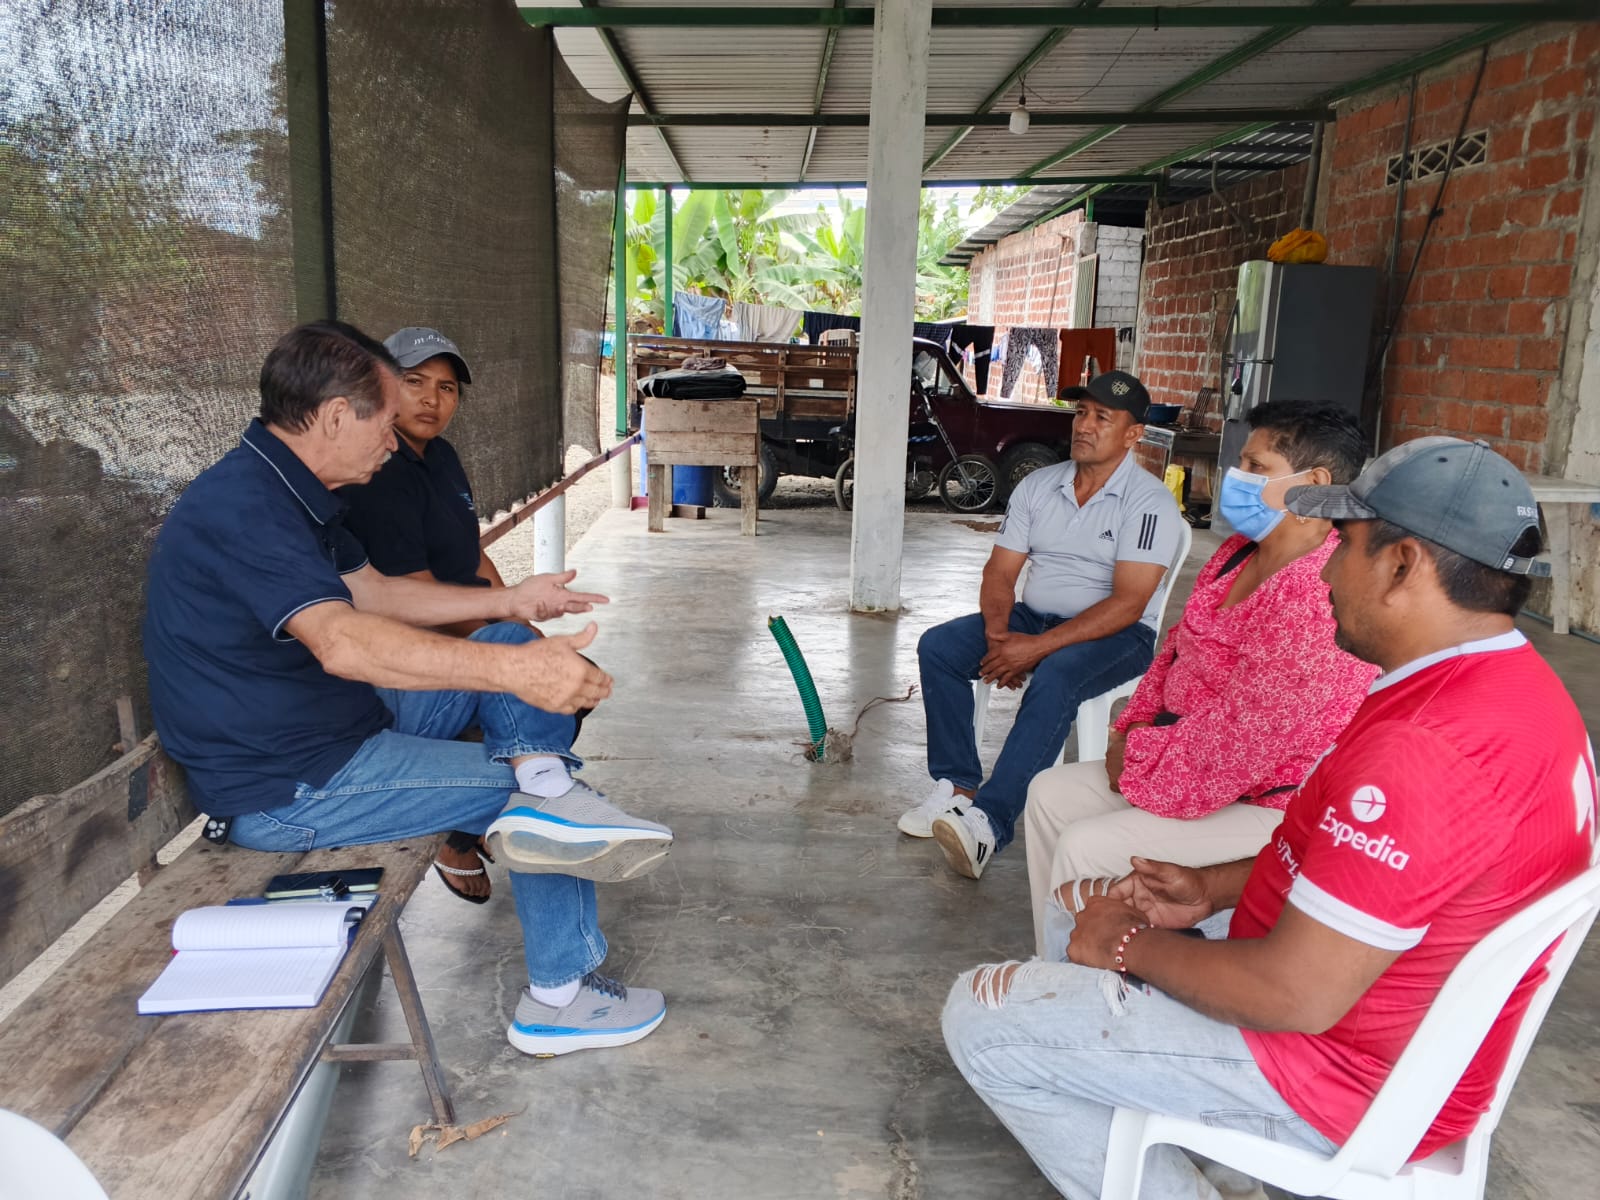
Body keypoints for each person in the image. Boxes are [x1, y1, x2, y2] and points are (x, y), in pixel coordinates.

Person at [942, 437, 1596, 1199]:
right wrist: (1212, 888)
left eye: (1343, 544)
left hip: (1336, 1074)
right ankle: (1154, 1114)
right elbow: (1377, 878)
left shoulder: (1426, 748)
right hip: (1387, 1017)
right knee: (1079, 903)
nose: (1326, 569)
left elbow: (1294, 995)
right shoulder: (1506, 687)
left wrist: (1130, 947)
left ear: (1402, 565)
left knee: (984, 1016)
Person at [143, 320, 674, 1056]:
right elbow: (343, 641)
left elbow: (377, 595)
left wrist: (508, 602)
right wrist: (516, 673)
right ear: (336, 416)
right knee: (535, 804)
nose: (393, 442)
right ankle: (560, 997)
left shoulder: (294, 490)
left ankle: (549, 782)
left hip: (339, 729)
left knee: (509, 647)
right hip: (289, 787)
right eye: (385, 421)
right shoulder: (245, 508)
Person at [1022, 402, 1378, 957]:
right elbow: (1175, 650)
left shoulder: (1317, 592)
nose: (1237, 478)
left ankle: (1090, 983)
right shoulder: (1239, 554)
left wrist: (1138, 757)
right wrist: (1129, 730)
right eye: (1242, 462)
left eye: (1256, 467)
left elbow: (1246, 739)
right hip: (1181, 758)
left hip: (1268, 799)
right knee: (1048, 795)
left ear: (1313, 485)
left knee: (1087, 845)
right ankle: (1057, 963)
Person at [901, 370, 1183, 881]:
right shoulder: (1038, 485)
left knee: (1056, 675)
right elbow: (1000, 573)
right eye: (1081, 412)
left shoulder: (1149, 503)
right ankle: (957, 787)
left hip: (1119, 635)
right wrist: (1000, 640)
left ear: (1133, 434)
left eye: (1103, 417)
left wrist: (1033, 650)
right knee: (939, 647)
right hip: (1032, 618)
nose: (1085, 425)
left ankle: (989, 823)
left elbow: (1128, 603)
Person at [338, 326, 570, 903]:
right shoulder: (377, 473)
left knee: (556, 685)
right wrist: (503, 633)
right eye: (415, 382)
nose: (431, 399)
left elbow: (472, 555)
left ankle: (515, 806)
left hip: (463, 627)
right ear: (379, 388)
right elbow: (410, 597)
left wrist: (518, 620)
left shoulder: (440, 457)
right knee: (546, 700)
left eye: (446, 388)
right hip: (408, 655)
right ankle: (462, 832)